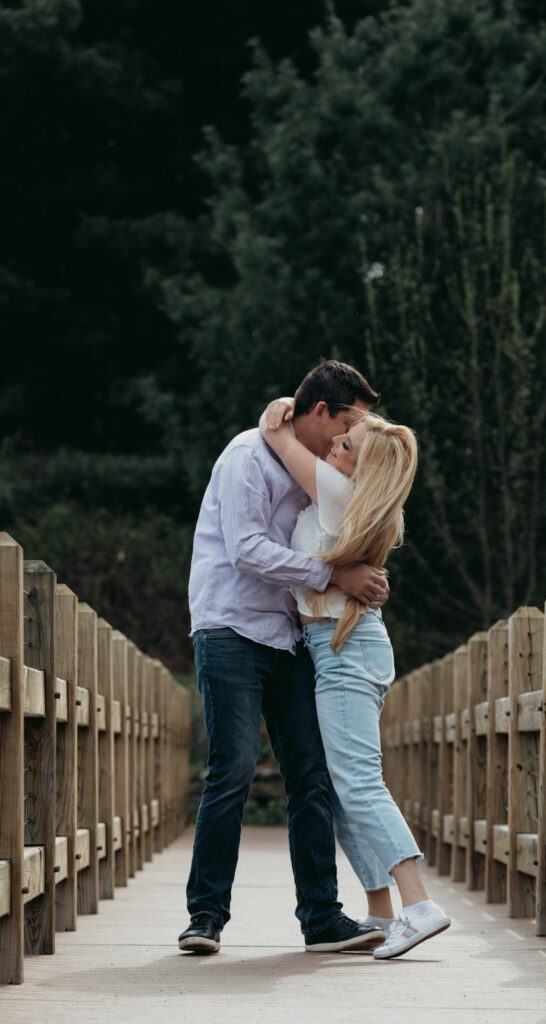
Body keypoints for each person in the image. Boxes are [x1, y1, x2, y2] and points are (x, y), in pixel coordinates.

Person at [179, 360, 392, 956]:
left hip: (291, 636)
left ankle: (322, 918)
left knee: (312, 773)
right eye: (348, 425)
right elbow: (247, 549)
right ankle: (206, 916)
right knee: (233, 770)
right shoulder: (249, 455)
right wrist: (335, 574)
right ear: (320, 412)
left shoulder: (314, 460)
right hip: (231, 627)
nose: (351, 440)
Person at [258, 395, 451, 960]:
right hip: (337, 646)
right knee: (343, 790)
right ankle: (383, 913)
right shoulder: (349, 496)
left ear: (362, 469)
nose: (334, 444)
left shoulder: (340, 492)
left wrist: (278, 415)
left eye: (347, 444)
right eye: (340, 438)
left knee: (361, 783)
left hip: (345, 649)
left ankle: (419, 906)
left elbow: (279, 440)